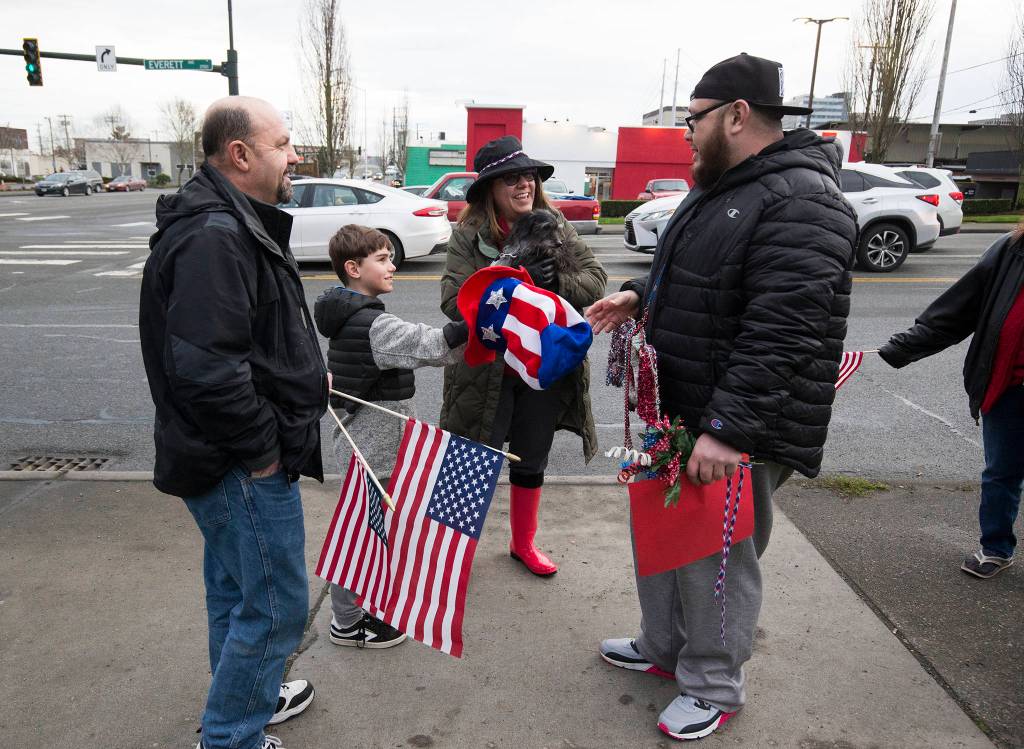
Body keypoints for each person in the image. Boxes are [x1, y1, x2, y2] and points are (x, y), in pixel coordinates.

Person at [586, 54, 857, 741]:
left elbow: (784, 327)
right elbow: (711, 280)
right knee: (667, 536)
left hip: (733, 423)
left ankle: (712, 683)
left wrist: (729, 427)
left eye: (692, 118)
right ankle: (664, 647)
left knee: (716, 556)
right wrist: (638, 295)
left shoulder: (801, 198)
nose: (684, 131)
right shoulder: (729, 186)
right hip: (682, 408)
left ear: (736, 115)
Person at [139, 96, 327, 749]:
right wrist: (263, 453)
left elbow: (240, 342)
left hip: (217, 458)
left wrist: (305, 374)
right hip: (238, 463)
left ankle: (244, 700)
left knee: (236, 593)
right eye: (283, 144)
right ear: (240, 155)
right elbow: (206, 368)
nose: (295, 155)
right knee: (277, 610)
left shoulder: (225, 221)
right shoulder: (216, 234)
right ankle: (231, 736)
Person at [440, 135, 608, 576]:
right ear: (490, 189)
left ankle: (523, 544)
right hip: (483, 371)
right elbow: (453, 301)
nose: (524, 185)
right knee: (470, 462)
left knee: (533, 457)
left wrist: (555, 284)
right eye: (511, 178)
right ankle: (451, 555)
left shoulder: (556, 225)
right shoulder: (468, 236)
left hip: (541, 367)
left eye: (529, 176)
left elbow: (596, 281)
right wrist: (513, 277)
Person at [315, 224, 468, 646]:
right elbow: (432, 345)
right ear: (353, 268)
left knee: (369, 531)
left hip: (366, 444)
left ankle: (360, 608)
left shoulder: (356, 316)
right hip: (374, 450)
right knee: (362, 536)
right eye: (381, 259)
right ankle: (347, 622)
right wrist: (477, 319)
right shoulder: (371, 324)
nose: (392, 265)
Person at [879, 222, 1024, 579]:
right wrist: (907, 345)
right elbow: (961, 307)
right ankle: (996, 548)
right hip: (1010, 388)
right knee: (1001, 473)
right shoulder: (1011, 250)